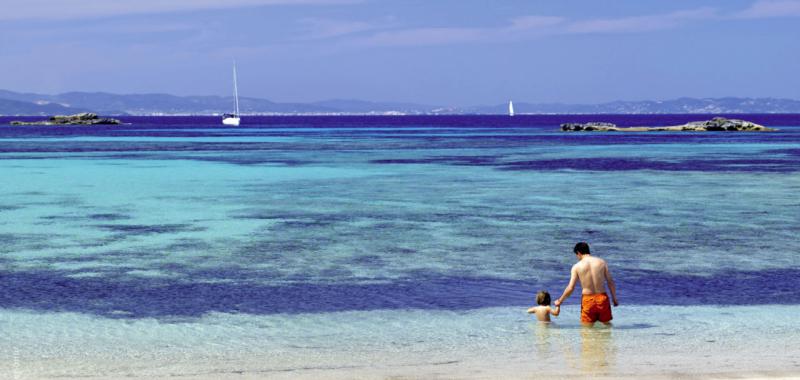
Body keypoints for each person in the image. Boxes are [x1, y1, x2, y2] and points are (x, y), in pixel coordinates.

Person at [554, 242, 618, 325]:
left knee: (587, 330)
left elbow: (571, 288)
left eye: (576, 255)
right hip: (602, 298)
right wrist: (614, 298)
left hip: (588, 300)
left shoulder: (577, 266)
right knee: (606, 327)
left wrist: (560, 300)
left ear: (579, 253)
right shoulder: (602, 262)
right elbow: (610, 282)